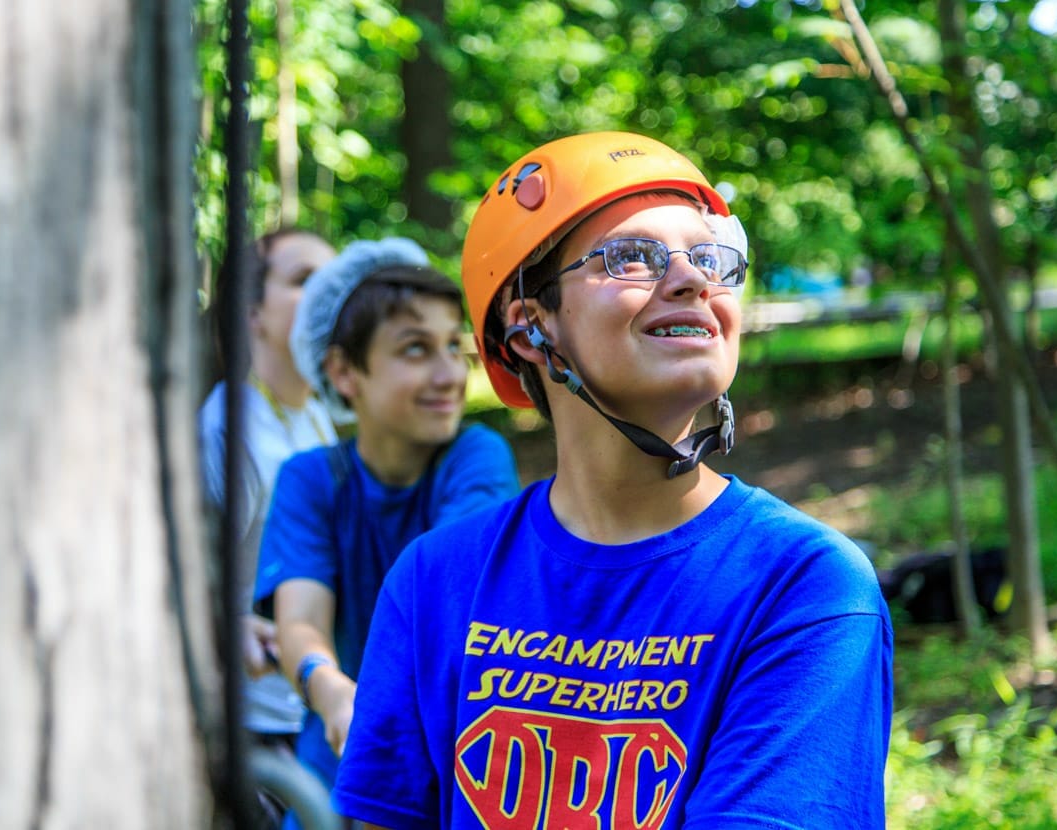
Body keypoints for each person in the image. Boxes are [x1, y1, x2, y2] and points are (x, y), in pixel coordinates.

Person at [333, 132, 893, 828]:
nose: (693, 280)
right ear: (530, 329)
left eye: (710, 257)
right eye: (632, 257)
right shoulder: (433, 583)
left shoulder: (803, 586)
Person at [256, 237, 521, 799]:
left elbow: (445, 599)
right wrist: (329, 691)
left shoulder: (475, 457)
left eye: (454, 346)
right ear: (345, 372)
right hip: (331, 769)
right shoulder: (311, 480)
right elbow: (300, 618)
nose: (450, 374)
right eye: (415, 349)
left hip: (454, 768)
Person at [198, 228, 337, 743]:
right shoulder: (228, 429)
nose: (328, 292)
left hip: (311, 710)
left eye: (334, 278)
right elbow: (176, 577)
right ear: (252, 313)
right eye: (304, 279)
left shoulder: (316, 413)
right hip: (249, 724)